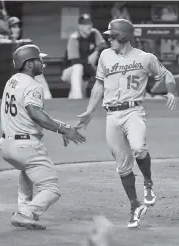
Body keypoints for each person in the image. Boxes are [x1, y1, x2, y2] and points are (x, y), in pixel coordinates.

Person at [76, 19, 178, 228]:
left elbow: (166, 74)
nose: (109, 39)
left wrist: (171, 92)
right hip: (111, 116)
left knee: (139, 148)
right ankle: (135, 205)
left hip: (133, 111)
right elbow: (99, 84)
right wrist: (89, 110)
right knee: (122, 166)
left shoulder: (144, 58)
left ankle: (148, 182)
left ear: (123, 36)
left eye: (112, 36)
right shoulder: (105, 55)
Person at [0, 44, 86, 230]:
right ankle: (27, 213)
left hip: (7, 145)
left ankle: (24, 211)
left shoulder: (12, 81)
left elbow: (30, 113)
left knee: (26, 171)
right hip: (25, 146)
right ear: (29, 64)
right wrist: (63, 130)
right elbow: (35, 113)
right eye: (39, 59)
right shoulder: (33, 86)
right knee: (51, 190)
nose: (42, 62)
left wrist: (61, 124)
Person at [61, 13, 107, 99]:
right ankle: (77, 97)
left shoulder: (94, 33)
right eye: (85, 24)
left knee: (79, 95)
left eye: (89, 23)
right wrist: (91, 66)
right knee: (78, 67)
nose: (88, 26)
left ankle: (74, 100)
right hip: (69, 71)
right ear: (79, 26)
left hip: (85, 72)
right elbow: (75, 61)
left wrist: (96, 53)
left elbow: (104, 46)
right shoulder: (74, 38)